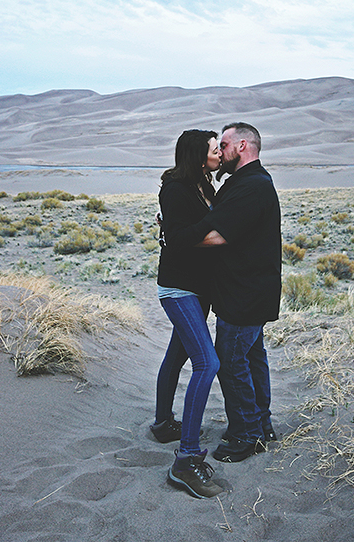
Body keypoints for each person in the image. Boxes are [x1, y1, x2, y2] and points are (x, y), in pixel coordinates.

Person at [169, 122, 282, 463]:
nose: (221, 151)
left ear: (244, 146)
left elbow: (219, 235)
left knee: (231, 364)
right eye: (216, 147)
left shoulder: (253, 187)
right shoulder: (246, 182)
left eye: (226, 145)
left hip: (244, 294)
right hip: (249, 291)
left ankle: (246, 436)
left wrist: (176, 238)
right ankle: (261, 422)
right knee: (251, 358)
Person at [152, 129, 225, 499]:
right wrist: (218, 224)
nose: (220, 153)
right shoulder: (176, 189)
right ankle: (186, 458)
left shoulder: (204, 186)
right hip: (179, 289)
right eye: (215, 150)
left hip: (199, 291)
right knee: (207, 363)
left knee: (177, 355)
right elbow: (180, 238)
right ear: (199, 156)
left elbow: (183, 234)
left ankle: (163, 424)